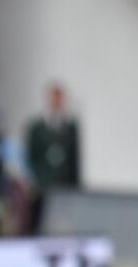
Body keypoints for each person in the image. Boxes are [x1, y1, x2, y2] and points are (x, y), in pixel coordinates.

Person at [25, 83, 80, 233]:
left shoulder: (70, 127)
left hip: (63, 185)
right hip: (43, 185)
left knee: (62, 222)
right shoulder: (37, 127)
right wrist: (34, 180)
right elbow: (31, 157)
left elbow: (75, 160)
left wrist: (75, 186)